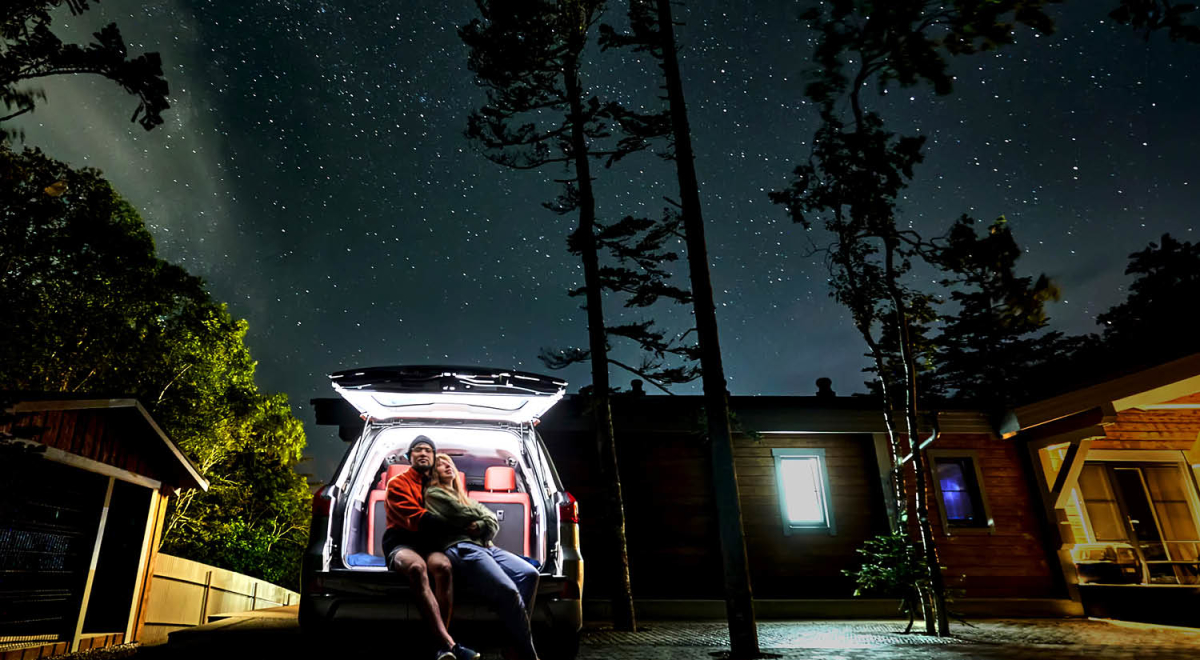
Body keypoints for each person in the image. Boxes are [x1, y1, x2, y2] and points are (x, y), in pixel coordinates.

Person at [426, 453, 541, 660]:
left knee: (530, 574)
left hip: (486, 546)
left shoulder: (465, 497)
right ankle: (527, 654)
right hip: (463, 547)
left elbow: (491, 519)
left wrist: (480, 524)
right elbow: (461, 514)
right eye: (441, 464)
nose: (447, 466)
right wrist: (482, 519)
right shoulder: (433, 494)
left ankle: (512, 643)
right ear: (434, 472)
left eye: (449, 463)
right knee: (509, 591)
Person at [383, 436, 479, 660]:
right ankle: (447, 643)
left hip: (431, 544)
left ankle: (441, 647)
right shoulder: (397, 483)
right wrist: (464, 525)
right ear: (409, 457)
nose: (423, 453)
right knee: (416, 568)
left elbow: (460, 510)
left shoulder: (440, 485)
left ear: (434, 457)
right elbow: (420, 519)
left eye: (428, 450)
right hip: (401, 540)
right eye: (418, 450)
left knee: (444, 567)